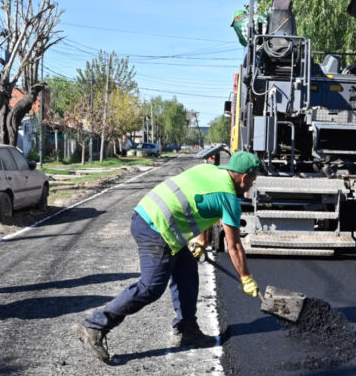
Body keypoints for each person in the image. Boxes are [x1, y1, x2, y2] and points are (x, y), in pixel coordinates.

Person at [71, 151, 263, 364]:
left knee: (187, 272)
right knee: (150, 287)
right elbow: (234, 246)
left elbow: (200, 205)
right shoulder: (229, 198)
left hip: (147, 214)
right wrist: (246, 277)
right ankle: (95, 326)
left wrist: (202, 241)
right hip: (156, 228)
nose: (251, 186)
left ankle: (187, 329)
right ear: (244, 178)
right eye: (252, 180)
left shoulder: (209, 170)